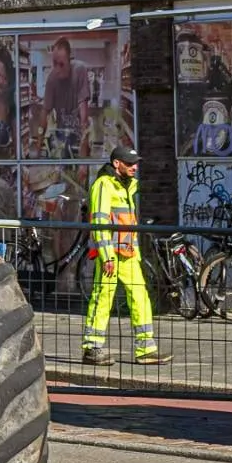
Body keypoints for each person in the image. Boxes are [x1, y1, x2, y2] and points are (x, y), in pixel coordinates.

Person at [83, 146, 162, 365]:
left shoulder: (128, 186)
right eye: (129, 163)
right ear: (117, 164)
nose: (134, 167)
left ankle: (146, 349)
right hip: (111, 254)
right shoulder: (103, 185)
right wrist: (107, 256)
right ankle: (92, 348)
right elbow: (99, 221)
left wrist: (134, 252)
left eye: (135, 163)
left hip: (128, 253)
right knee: (103, 298)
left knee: (140, 297)